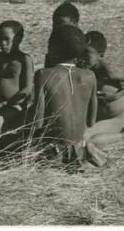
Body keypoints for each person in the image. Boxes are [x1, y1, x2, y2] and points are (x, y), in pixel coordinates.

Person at [31, 25, 100, 171]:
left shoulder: (43, 75)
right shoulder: (90, 76)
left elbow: (38, 122)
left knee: (8, 140)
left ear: (54, 48)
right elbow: (92, 121)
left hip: (54, 154)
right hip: (79, 151)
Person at [81, 31, 124, 149]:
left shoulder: (110, 72)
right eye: (82, 53)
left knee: (86, 139)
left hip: (117, 118)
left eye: (88, 56)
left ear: (101, 55)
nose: (83, 58)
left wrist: (117, 95)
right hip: (99, 119)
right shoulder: (83, 69)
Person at [0, 20, 34, 135]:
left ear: (18, 38)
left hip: (14, 105)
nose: (2, 43)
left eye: (6, 39)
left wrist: (6, 103)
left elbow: (27, 89)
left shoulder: (24, 59)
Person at [44, 1, 80, 68]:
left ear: (76, 25)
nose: (60, 32)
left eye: (64, 28)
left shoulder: (80, 45)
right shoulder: (54, 44)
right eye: (56, 27)